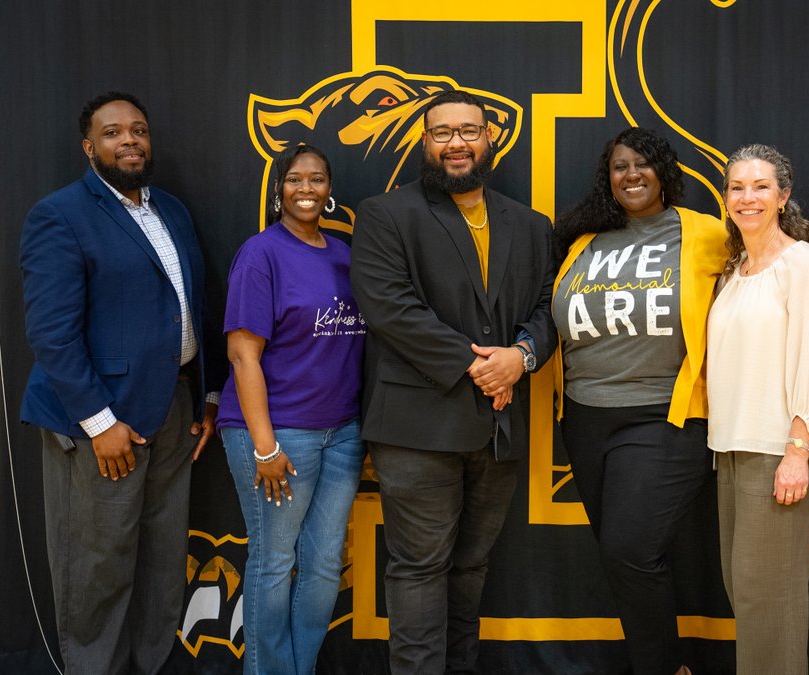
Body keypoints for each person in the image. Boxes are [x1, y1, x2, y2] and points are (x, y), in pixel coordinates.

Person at [349, 89, 557, 674]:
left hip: (498, 431)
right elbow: (391, 308)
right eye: (442, 133)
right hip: (418, 428)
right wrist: (481, 366)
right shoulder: (386, 214)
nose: (456, 143)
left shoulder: (532, 225)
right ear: (425, 143)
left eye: (468, 131)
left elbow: (547, 308)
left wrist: (521, 355)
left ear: (490, 138)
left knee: (470, 569)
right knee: (419, 568)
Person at [20, 91, 220, 675]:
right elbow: (52, 334)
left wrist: (207, 394)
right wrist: (100, 423)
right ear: (89, 148)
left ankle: (151, 667)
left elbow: (194, 306)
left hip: (174, 409)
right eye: (112, 133)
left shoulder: (173, 212)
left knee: (162, 563)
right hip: (104, 424)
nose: (128, 140)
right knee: (98, 566)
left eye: (138, 129)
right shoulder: (59, 215)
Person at [550, 127, 728, 675]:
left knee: (628, 551)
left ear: (663, 170)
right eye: (620, 167)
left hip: (664, 417)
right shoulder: (582, 240)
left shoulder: (705, 234)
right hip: (584, 418)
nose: (631, 175)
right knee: (624, 558)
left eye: (643, 164)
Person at [214, 144, 366, 675]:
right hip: (279, 434)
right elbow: (241, 353)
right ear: (279, 189)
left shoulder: (346, 254)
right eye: (296, 179)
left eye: (317, 179)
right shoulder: (262, 253)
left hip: (343, 431)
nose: (307, 189)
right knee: (275, 563)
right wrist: (266, 445)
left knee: (324, 567)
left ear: (330, 190)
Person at [705, 144, 809, 673]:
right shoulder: (735, 269)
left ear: (783, 196)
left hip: (779, 452)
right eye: (737, 187)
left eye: (761, 187)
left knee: (772, 601)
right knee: (746, 593)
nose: (747, 197)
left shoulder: (801, 264)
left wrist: (798, 450)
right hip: (732, 447)